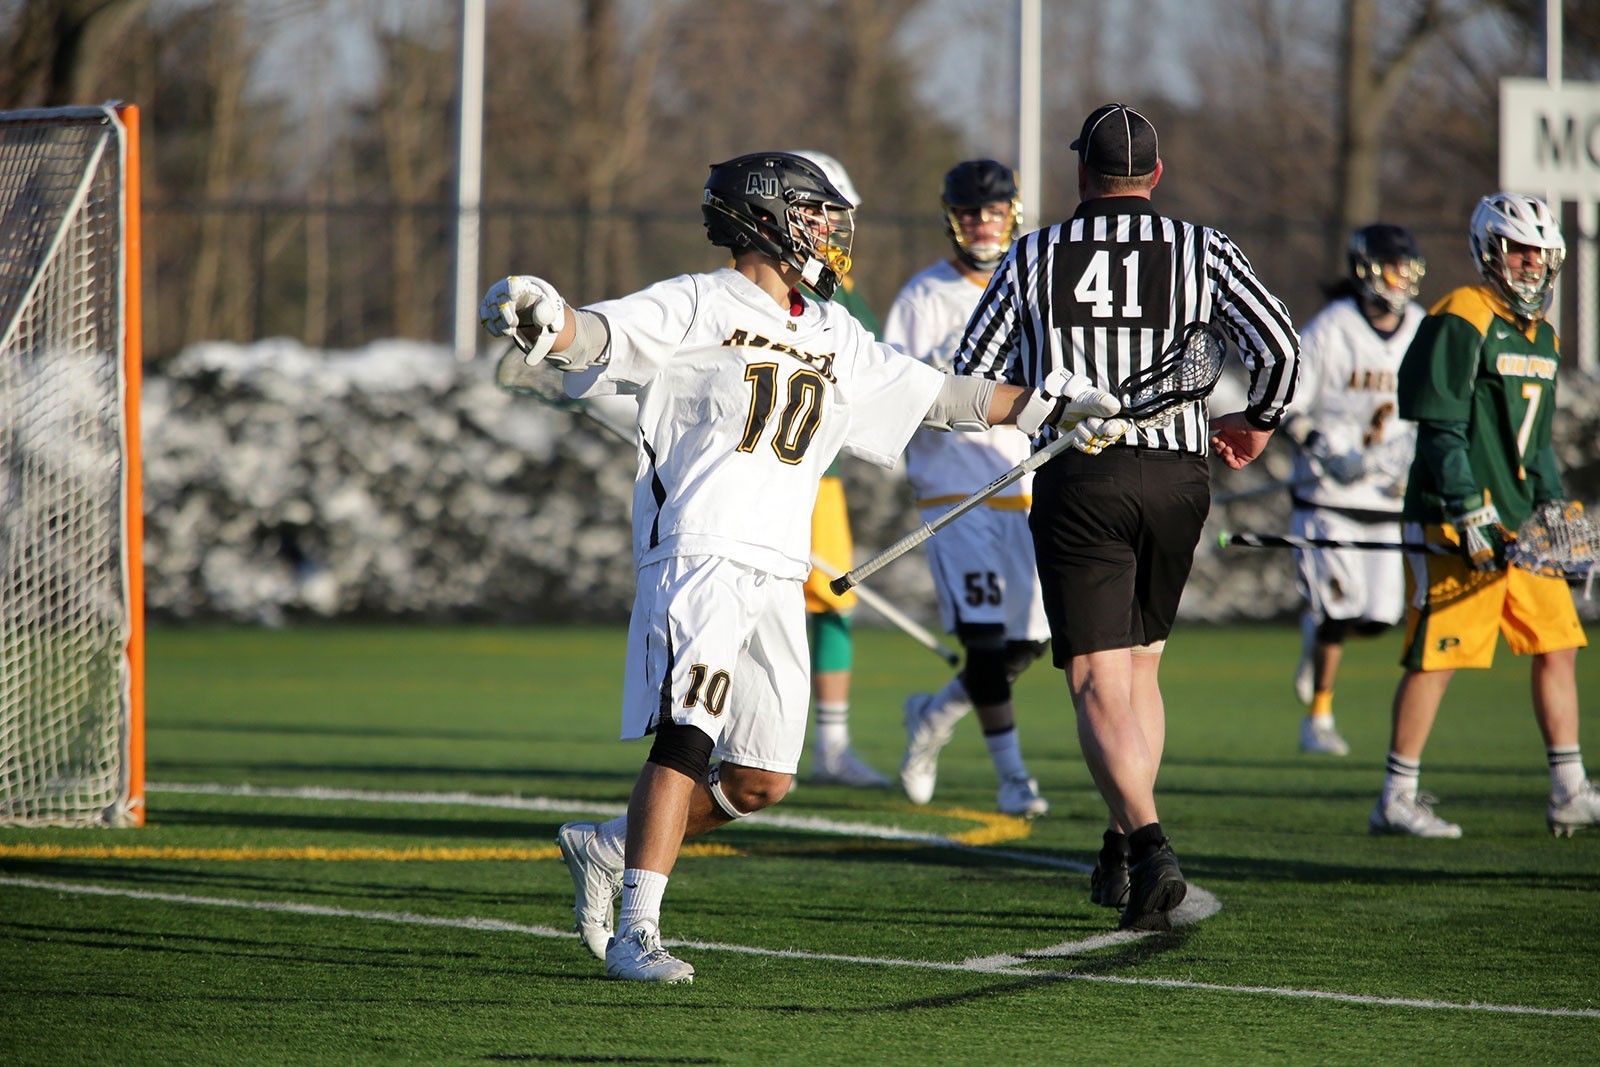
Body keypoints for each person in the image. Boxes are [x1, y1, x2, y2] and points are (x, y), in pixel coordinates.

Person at [480, 151, 1120, 980]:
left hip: (781, 565)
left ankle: (608, 846)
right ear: (768, 217)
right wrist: (547, 316)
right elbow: (598, 335)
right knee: (686, 734)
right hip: (700, 550)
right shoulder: (696, 302)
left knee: (760, 781)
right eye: (815, 215)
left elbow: (939, 395)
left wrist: (1055, 406)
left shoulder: (831, 332)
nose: (828, 232)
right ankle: (639, 926)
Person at [955, 103, 1300, 931]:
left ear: (1081, 174)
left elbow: (969, 373)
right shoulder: (1201, 249)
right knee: (1140, 669)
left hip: (1086, 480)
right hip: (1180, 477)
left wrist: (1051, 407)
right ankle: (1119, 837)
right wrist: (1254, 422)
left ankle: (1148, 844)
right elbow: (1281, 350)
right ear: (1155, 176)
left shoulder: (1035, 255)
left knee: (1094, 676)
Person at [1370, 191, 1598, 839]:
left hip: (1522, 529)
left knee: (1558, 646)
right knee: (1437, 657)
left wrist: (1555, 507)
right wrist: (1469, 508)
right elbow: (1440, 426)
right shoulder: (1460, 314)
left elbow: (1538, 441)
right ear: (1490, 250)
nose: (1530, 264)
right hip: (1456, 521)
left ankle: (1568, 788)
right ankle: (1396, 794)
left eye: (1539, 253)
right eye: (1519, 250)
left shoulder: (1545, 335)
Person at [884, 159, 1050, 817]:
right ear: (953, 219)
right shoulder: (923, 298)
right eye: (971, 213)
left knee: (1027, 643)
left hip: (1026, 486)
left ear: (1013, 213)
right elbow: (893, 390)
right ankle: (1012, 776)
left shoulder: (1032, 286)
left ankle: (932, 717)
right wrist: (951, 401)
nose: (983, 224)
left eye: (994, 211)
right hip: (956, 492)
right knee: (983, 638)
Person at [1280, 225, 1427, 756]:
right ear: (1367, 270)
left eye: (1407, 267)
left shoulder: (1421, 329)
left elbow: (1438, 409)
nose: (1403, 279)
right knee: (1339, 613)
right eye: (1393, 267)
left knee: (1378, 618)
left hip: (1387, 499)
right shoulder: (1331, 329)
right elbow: (1286, 407)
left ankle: (1312, 634)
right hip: (1329, 498)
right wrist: (1325, 449)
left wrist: (1415, 459)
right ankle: (1318, 718)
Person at [790, 151, 891, 788]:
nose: (832, 226)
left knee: (831, 606)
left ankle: (831, 746)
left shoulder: (842, 291)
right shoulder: (751, 283)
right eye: (823, 211)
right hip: (755, 480)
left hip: (818, 483)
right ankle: (726, 742)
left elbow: (880, 369)